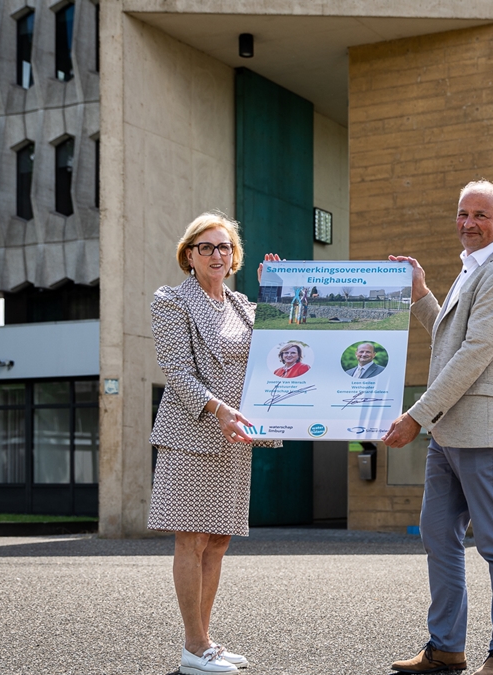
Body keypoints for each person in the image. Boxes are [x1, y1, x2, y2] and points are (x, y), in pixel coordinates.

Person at [383, 181, 493, 675]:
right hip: (449, 433)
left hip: (485, 432)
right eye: (462, 213)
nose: (468, 223)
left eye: (480, 215)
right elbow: (450, 339)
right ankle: (447, 647)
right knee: (437, 533)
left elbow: (472, 356)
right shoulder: (472, 269)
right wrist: (421, 294)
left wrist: (415, 415)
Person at [147, 211, 282, 675]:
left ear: (234, 255)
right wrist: (219, 408)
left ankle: (204, 643)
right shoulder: (171, 300)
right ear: (189, 255)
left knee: (219, 541)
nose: (216, 255)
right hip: (192, 432)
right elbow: (176, 371)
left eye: (224, 246)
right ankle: (194, 645)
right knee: (192, 538)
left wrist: (275, 291)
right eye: (206, 247)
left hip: (234, 437)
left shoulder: (242, 304)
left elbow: (279, 345)